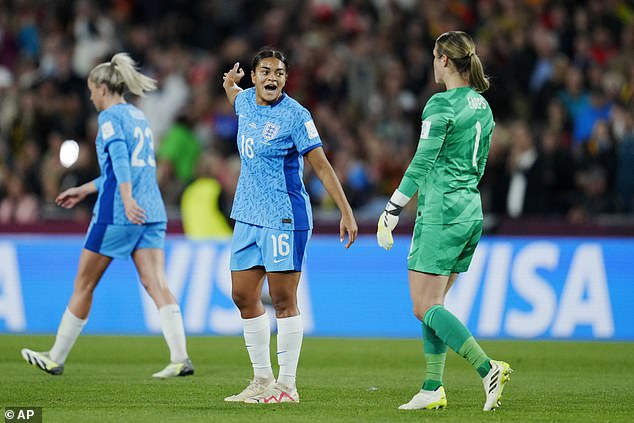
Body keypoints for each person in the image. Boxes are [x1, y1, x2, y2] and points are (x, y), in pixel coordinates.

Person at [21, 53, 193, 379]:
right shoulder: (137, 116)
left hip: (118, 213)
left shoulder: (110, 118)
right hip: (152, 210)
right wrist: (85, 189)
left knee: (84, 283)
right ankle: (180, 357)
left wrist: (126, 200)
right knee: (156, 283)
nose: (90, 97)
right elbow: (130, 168)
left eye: (90, 90)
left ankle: (55, 357)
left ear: (102, 87)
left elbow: (120, 161)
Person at [376, 31, 512, 412]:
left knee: (423, 307)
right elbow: (482, 163)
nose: (433, 64)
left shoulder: (440, 105)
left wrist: (391, 208)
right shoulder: (482, 107)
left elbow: (421, 162)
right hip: (470, 210)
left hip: (441, 214)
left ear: (445, 61)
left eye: (435, 57)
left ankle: (487, 368)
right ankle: (433, 386)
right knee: (434, 303)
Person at [221, 48, 358, 404]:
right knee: (242, 296)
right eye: (265, 71)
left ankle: (287, 385)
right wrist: (229, 85)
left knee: (283, 300)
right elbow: (234, 97)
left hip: (284, 217)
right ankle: (262, 379)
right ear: (253, 77)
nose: (273, 78)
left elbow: (323, 166)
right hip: (247, 215)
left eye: (279, 73)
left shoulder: (296, 116)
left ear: (285, 79)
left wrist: (345, 210)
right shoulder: (246, 102)